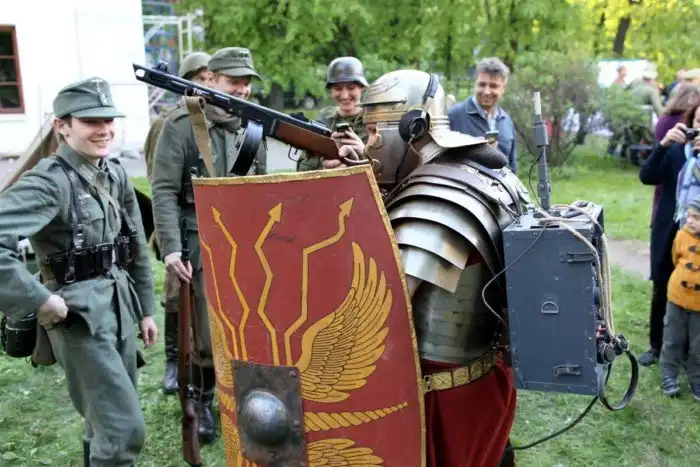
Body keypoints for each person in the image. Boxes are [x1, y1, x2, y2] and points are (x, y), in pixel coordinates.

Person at [323, 69, 527, 467]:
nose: (370, 143)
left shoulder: (432, 206)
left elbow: (376, 317)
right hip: (487, 375)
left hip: (443, 398)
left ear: (411, 127)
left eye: (375, 131)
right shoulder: (484, 173)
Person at [0, 77, 157, 466]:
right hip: (78, 319)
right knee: (123, 430)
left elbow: (134, 244)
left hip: (118, 307)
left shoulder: (114, 173)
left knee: (102, 420)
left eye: (108, 119)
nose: (104, 130)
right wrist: (39, 300)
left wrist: (146, 309)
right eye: (90, 121)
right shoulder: (49, 183)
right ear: (62, 126)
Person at [151, 46, 267, 443]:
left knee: (246, 324)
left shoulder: (253, 125)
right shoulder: (181, 125)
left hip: (245, 241)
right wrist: (171, 248)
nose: (243, 89)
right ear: (212, 79)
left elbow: (261, 187)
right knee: (203, 332)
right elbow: (163, 191)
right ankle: (199, 400)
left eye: (247, 82)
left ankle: (238, 393)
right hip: (197, 238)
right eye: (234, 81)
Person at [143, 50, 212, 395]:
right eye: (199, 78)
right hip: (176, 222)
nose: (206, 84)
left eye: (210, 78)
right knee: (175, 294)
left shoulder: (216, 120)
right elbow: (158, 179)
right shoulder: (167, 123)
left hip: (206, 225)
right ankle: (174, 361)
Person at [638, 103, 700, 366]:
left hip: (697, 233)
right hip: (669, 230)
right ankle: (656, 346)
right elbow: (647, 176)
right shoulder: (675, 151)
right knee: (661, 286)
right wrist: (662, 145)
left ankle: (689, 351)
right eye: (698, 120)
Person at [296, 56, 370, 171]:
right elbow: (302, 167)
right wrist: (325, 160)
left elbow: (389, 168)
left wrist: (365, 152)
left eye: (351, 88)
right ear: (331, 90)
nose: (344, 96)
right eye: (338, 88)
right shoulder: (323, 120)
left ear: (362, 87)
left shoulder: (374, 120)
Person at [659, 194, 700, 399]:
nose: (690, 220)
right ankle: (668, 376)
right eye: (689, 215)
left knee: (698, 346)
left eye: (696, 217)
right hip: (677, 297)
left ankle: (697, 380)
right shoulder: (681, 236)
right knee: (672, 339)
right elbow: (676, 258)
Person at [448, 57, 517, 173]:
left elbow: (512, 166)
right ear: (475, 84)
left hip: (500, 184)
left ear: (503, 89)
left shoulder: (507, 121)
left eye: (493, 86)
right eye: (482, 84)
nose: (486, 91)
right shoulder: (454, 116)